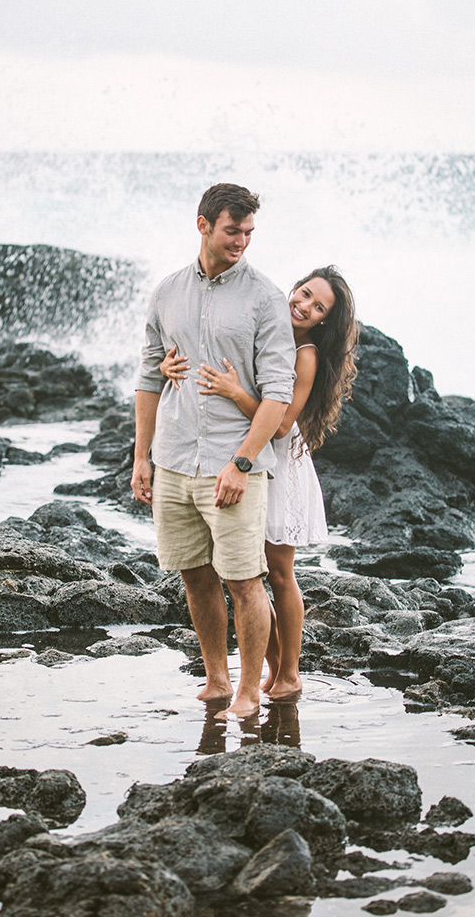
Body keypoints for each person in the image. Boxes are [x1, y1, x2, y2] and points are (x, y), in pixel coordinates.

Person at [131, 183, 296, 719]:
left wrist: (242, 463)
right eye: (232, 231)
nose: (242, 242)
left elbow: (278, 394)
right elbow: (148, 378)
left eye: (249, 233)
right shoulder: (167, 292)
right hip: (175, 459)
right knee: (195, 575)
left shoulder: (265, 298)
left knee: (245, 580)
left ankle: (251, 689)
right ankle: (217, 679)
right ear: (202, 225)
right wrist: (141, 457)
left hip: (233, 463)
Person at [161, 265, 357, 700]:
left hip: (279, 462)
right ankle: (270, 669)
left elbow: (284, 424)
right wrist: (167, 363)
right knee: (247, 569)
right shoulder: (268, 324)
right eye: (304, 293)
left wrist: (234, 392)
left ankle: (289, 672)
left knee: (279, 572)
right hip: (244, 451)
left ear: (324, 319)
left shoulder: (304, 353)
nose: (303, 305)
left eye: (317, 305)